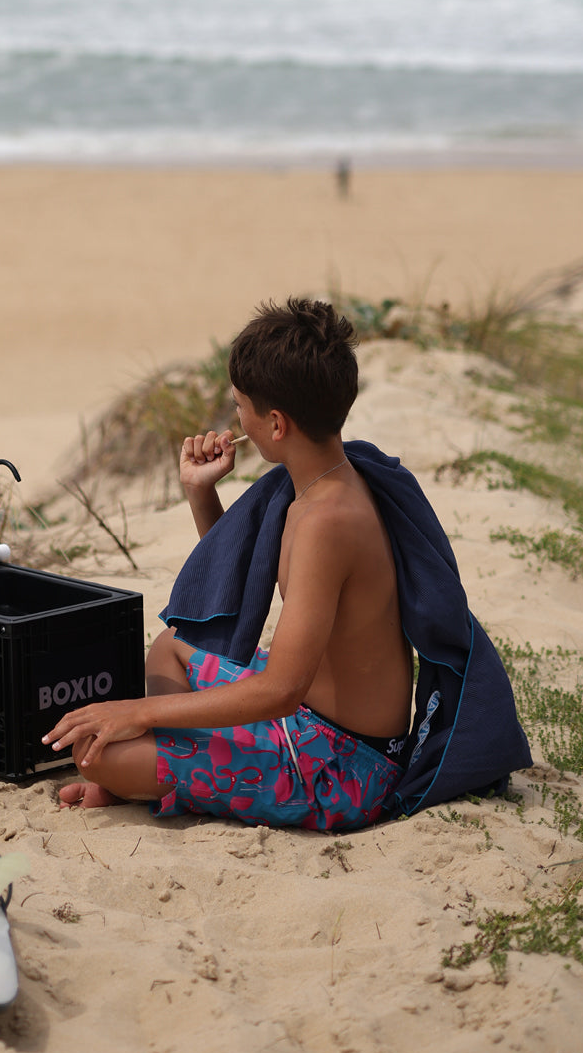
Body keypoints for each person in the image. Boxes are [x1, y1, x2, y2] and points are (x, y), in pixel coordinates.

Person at [42, 297, 418, 830]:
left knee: (94, 753)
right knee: (171, 644)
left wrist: (138, 713)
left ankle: (157, 769)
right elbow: (239, 583)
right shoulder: (323, 479)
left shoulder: (325, 521)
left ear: (277, 424)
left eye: (240, 406)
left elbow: (282, 691)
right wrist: (201, 494)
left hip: (343, 767)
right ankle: (166, 764)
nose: (235, 419)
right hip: (311, 719)